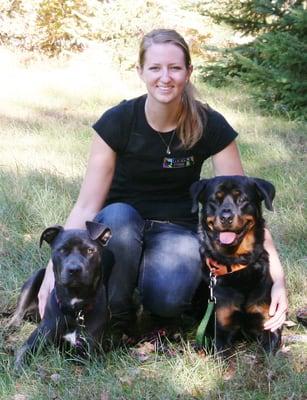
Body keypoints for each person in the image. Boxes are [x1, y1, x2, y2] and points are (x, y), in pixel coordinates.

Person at [38, 28, 287, 334]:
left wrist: (277, 280)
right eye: (155, 68)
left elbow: (245, 208)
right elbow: (87, 205)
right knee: (119, 216)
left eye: (175, 68)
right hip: (121, 228)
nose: (165, 77)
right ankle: (117, 316)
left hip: (176, 231)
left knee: (168, 300)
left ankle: (152, 293)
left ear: (189, 72)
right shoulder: (118, 121)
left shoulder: (210, 124)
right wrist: (52, 271)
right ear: (140, 71)